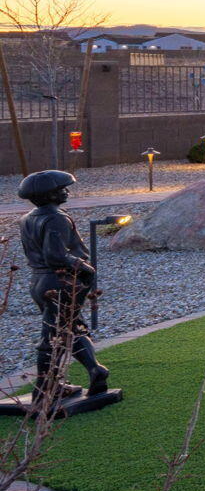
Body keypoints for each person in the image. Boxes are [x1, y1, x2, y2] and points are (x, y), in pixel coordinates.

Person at [15, 170, 111, 404]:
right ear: (49, 195)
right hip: (60, 280)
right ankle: (46, 388)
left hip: (39, 281)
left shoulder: (27, 218)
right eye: (61, 189)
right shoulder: (56, 217)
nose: (66, 191)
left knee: (70, 326)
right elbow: (55, 255)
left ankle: (93, 371)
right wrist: (85, 268)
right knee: (52, 336)